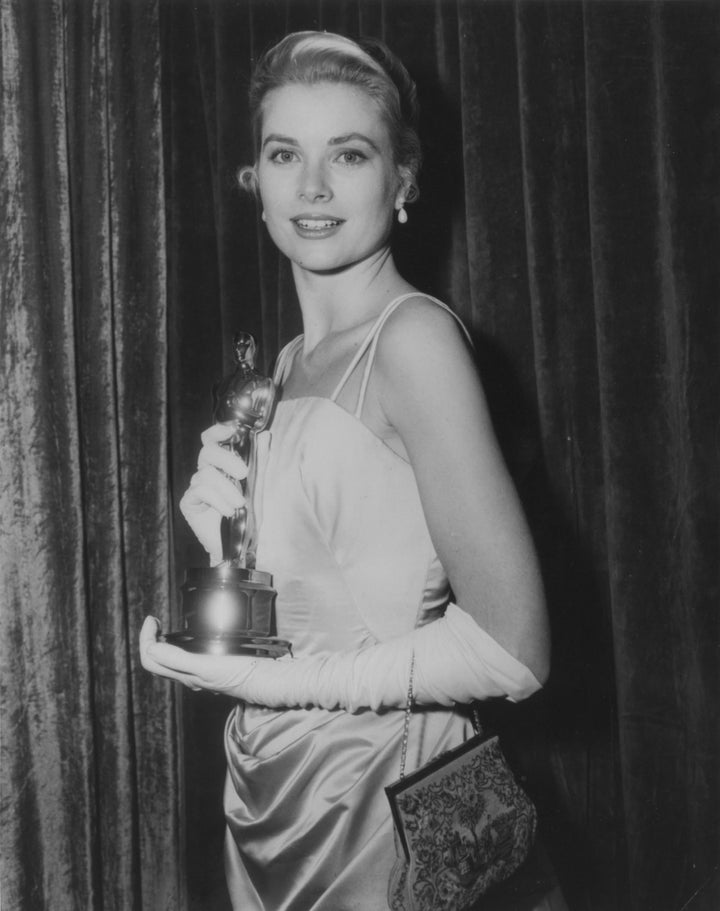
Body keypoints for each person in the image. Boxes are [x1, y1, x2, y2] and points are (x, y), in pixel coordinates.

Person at [140, 31, 562, 911]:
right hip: (271, 800)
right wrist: (227, 545)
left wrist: (281, 682)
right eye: (285, 153)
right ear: (255, 182)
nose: (315, 187)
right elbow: (323, 591)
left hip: (386, 810)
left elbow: (515, 653)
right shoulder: (289, 360)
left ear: (402, 181)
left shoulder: (413, 340)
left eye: (351, 154)